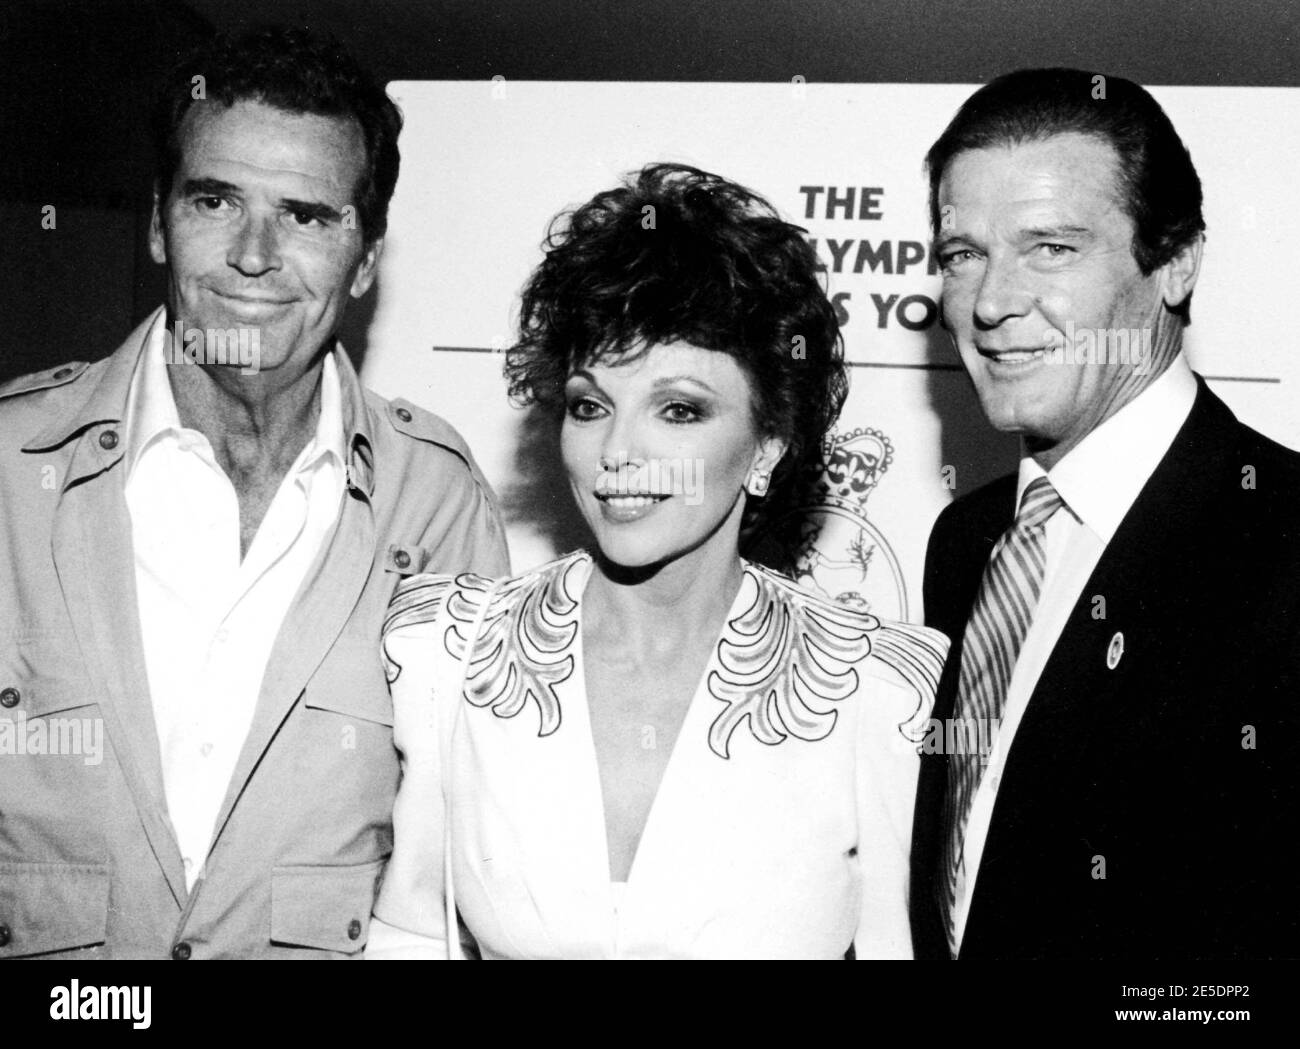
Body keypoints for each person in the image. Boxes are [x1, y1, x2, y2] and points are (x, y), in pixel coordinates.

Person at [0, 27, 507, 959]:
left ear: (365, 260)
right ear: (157, 222)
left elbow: (456, 871)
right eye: (215, 199)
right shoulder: (9, 475)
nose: (254, 255)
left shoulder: (437, 504)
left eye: (308, 215)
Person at [366, 163, 948, 960]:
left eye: (678, 409)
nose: (617, 453)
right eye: (589, 405)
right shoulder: (448, 652)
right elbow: (406, 936)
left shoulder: (876, 691)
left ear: (768, 443)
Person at [909, 67, 1300, 960]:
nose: (993, 301)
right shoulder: (965, 543)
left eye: (1051, 247)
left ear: (1175, 262)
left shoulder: (1282, 538)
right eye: (963, 253)